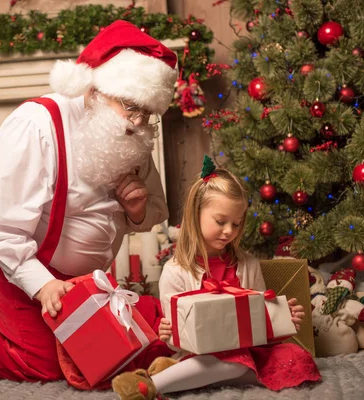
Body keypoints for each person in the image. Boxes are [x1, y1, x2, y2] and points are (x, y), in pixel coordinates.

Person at [0, 20, 180, 387]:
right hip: (4, 250)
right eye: (131, 108)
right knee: (45, 363)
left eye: (147, 113)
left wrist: (136, 210)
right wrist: (43, 285)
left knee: (110, 351)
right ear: (96, 91)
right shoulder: (37, 124)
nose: (139, 122)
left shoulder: (130, 132)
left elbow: (154, 210)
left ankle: (12, 324)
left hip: (75, 275)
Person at [112, 160, 321, 399]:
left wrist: (282, 320)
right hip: (200, 355)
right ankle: (153, 385)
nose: (229, 231)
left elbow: (260, 323)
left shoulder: (247, 265)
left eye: (236, 224)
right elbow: (176, 344)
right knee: (235, 363)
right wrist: (169, 336)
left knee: (296, 356)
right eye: (221, 222)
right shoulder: (175, 271)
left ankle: (192, 378)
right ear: (195, 214)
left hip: (248, 353)